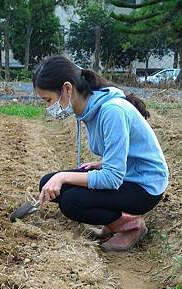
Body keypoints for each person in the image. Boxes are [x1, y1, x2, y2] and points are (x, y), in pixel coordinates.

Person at [33, 56, 169, 251]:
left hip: (145, 186)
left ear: (67, 89)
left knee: (72, 202)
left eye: (48, 100)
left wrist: (63, 176)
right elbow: (123, 154)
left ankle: (130, 226)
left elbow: (112, 179)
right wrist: (102, 164)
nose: (49, 108)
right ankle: (114, 220)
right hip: (128, 174)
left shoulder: (112, 111)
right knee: (48, 182)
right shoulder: (88, 110)